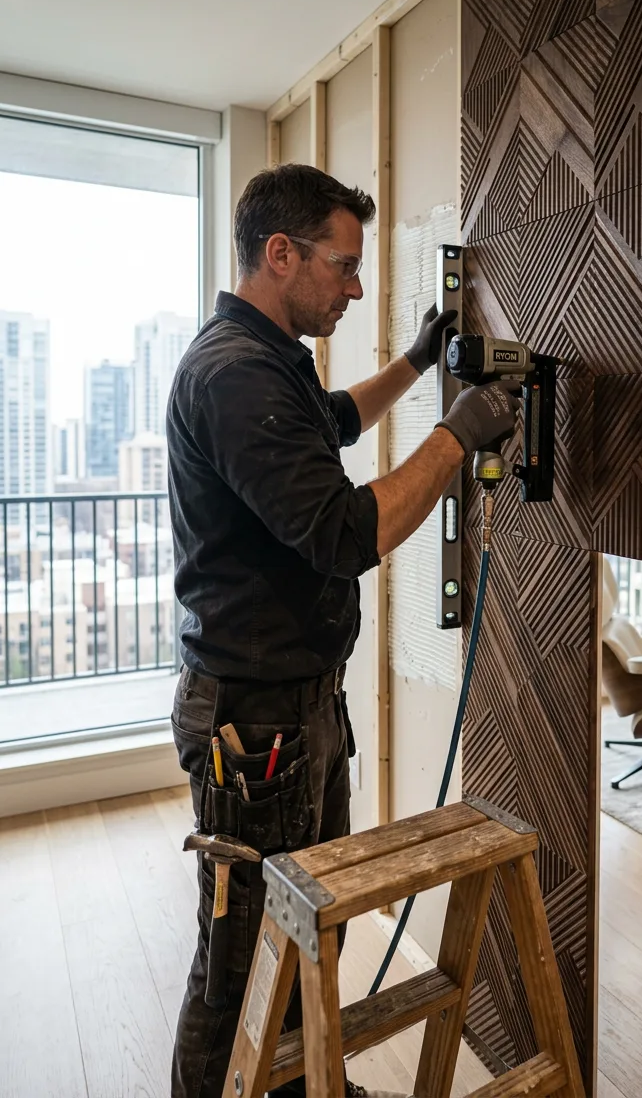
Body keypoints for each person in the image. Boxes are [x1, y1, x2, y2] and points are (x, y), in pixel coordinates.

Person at [168, 163, 520, 1098]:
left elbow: (333, 423)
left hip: (295, 706)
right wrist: (459, 432)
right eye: (345, 265)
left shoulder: (266, 361)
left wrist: (415, 360)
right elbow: (342, 533)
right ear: (279, 254)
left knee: (302, 930)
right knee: (239, 954)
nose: (355, 286)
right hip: (257, 723)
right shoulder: (234, 376)